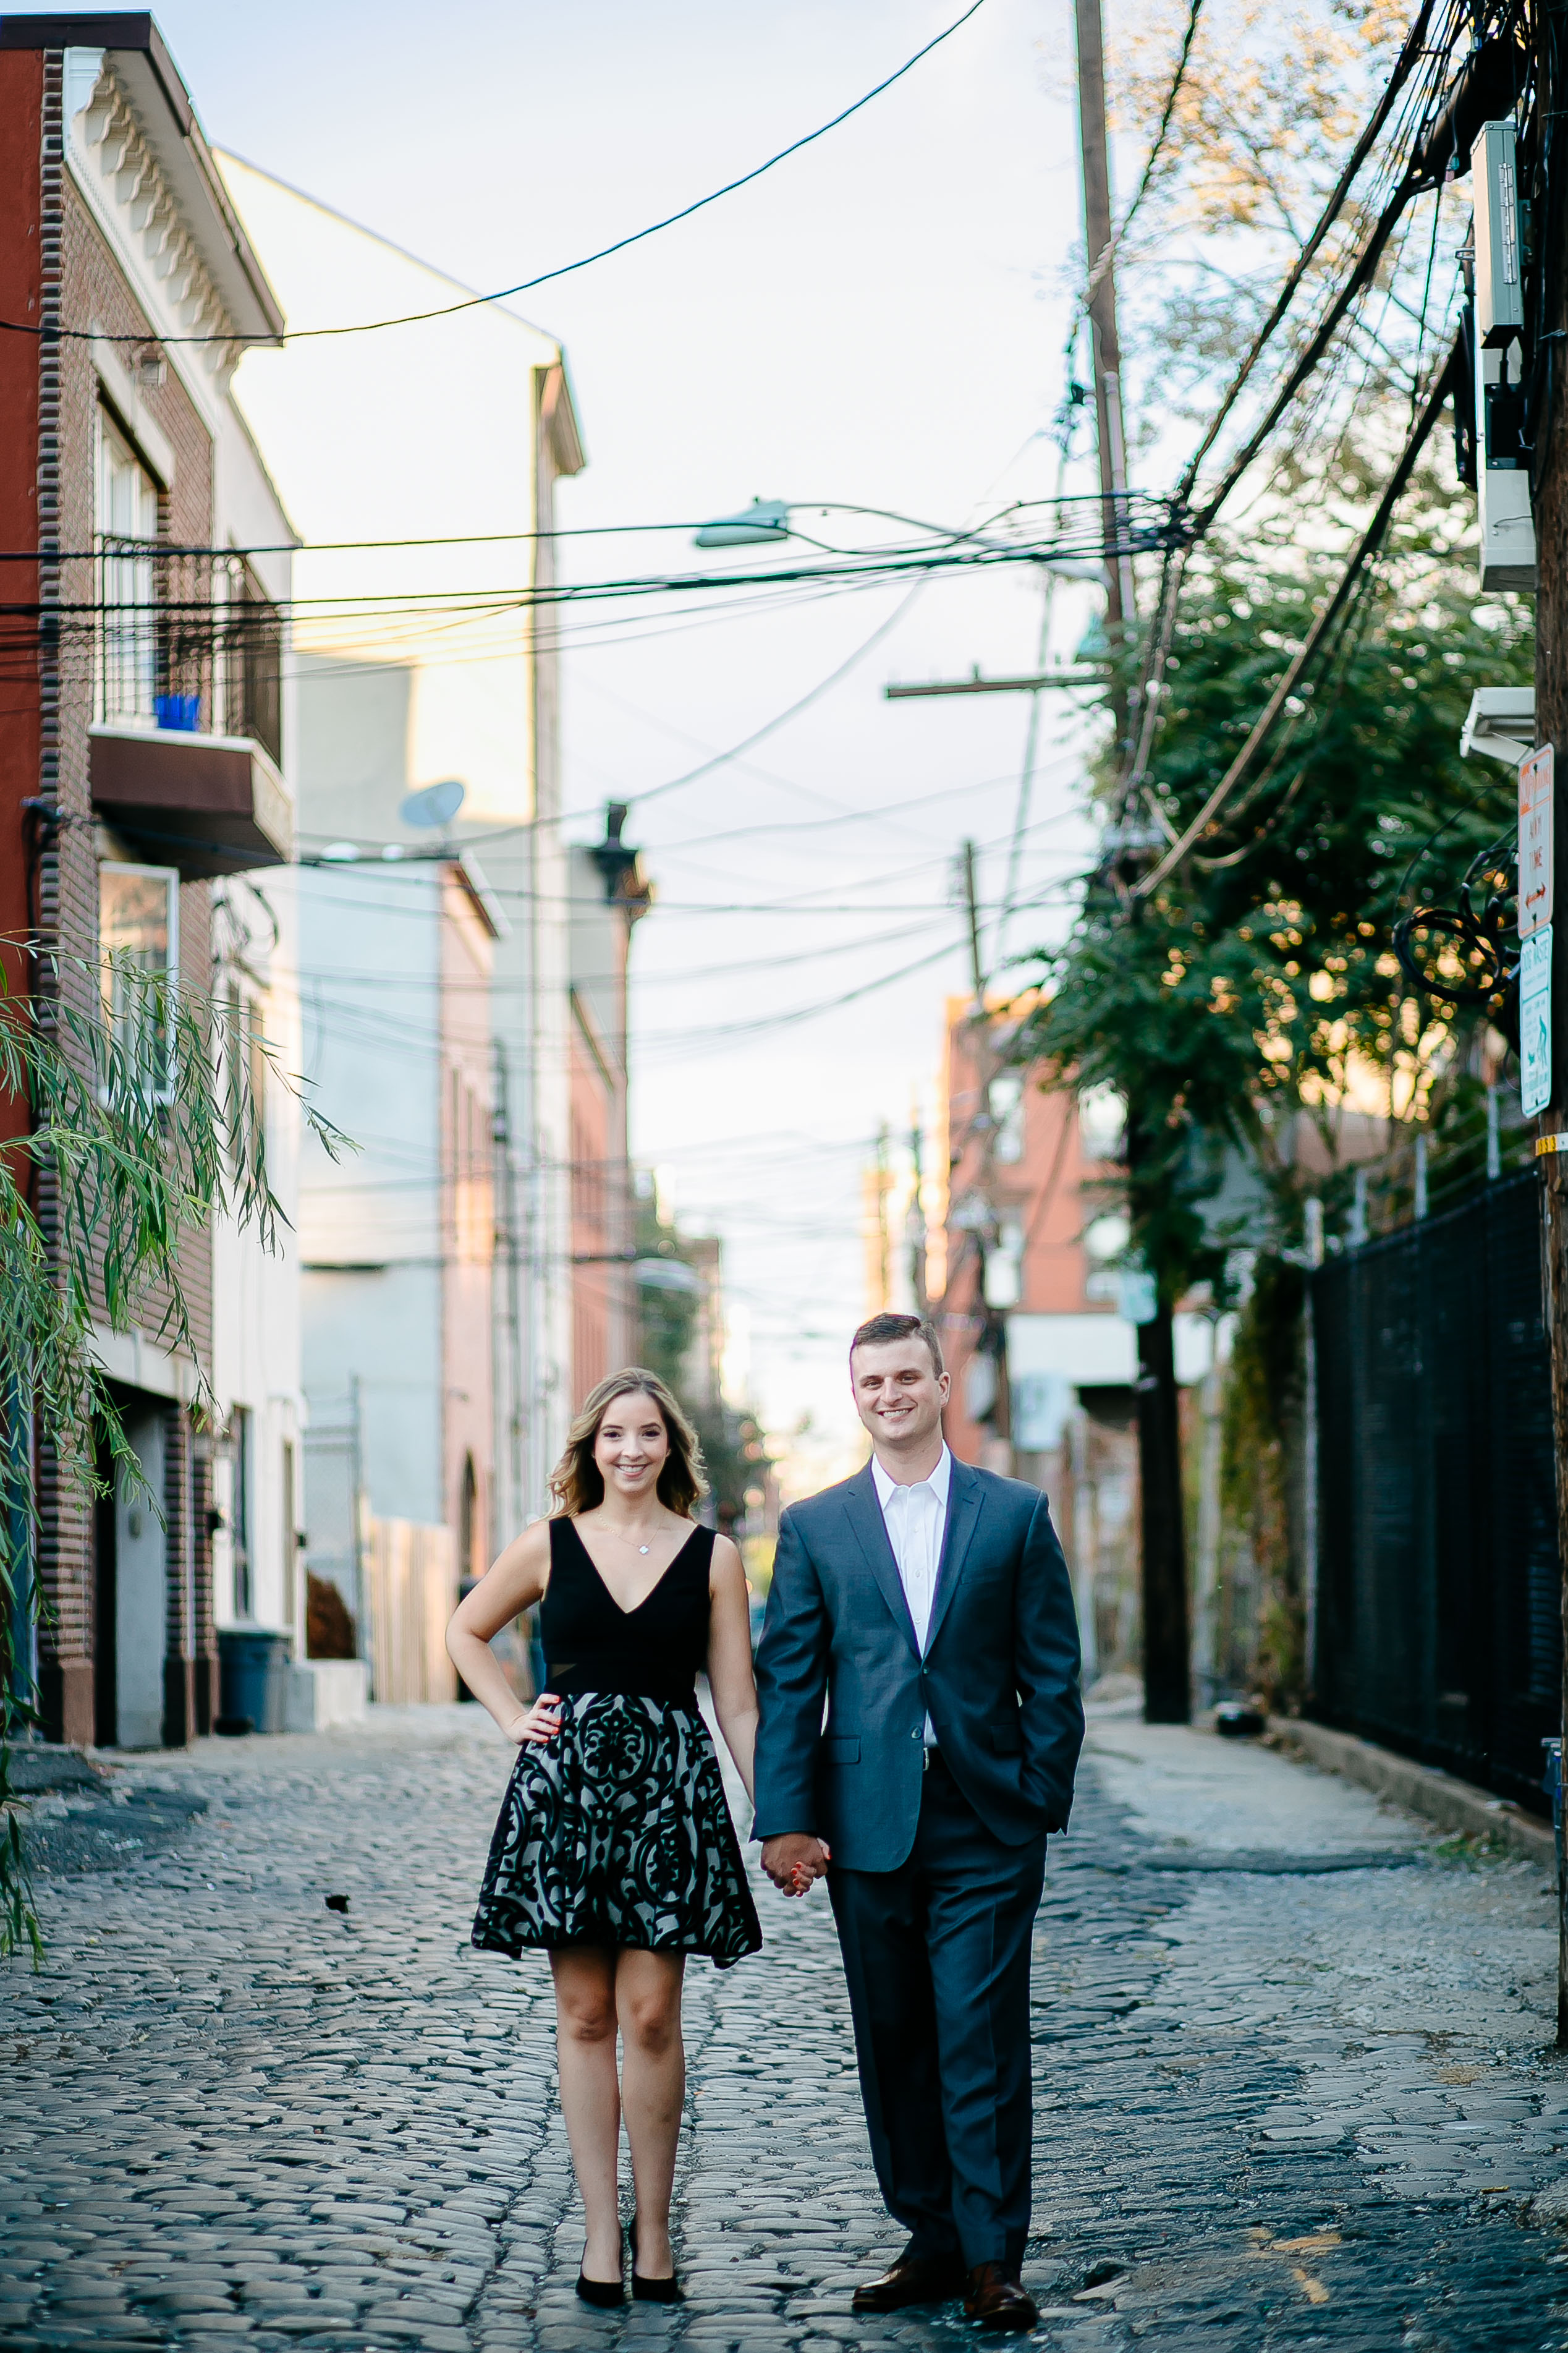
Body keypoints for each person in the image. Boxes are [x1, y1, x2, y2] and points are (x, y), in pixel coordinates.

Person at [753, 1311, 1084, 2334]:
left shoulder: (1014, 1514)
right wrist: (786, 1820)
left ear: (943, 1384)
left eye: (907, 1377)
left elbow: (1053, 1671)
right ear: (854, 1396)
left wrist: (1035, 1797)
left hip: (986, 1819)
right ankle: (929, 2237)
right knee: (893, 2036)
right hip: (866, 1825)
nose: (890, 1395)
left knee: (977, 2038)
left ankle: (993, 2258)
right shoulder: (814, 1525)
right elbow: (791, 1679)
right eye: (871, 1383)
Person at [447, 1369, 761, 2310]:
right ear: (591, 1446)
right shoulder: (547, 1544)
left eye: (649, 1433)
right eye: (614, 1434)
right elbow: (467, 1629)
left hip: (668, 1797)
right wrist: (511, 1717)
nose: (631, 1449)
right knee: (583, 2014)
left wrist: (778, 1813)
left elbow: (737, 1701)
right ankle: (596, 2234)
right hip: (568, 1800)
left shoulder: (715, 1557)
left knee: (653, 2014)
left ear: (672, 1448)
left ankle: (654, 2232)